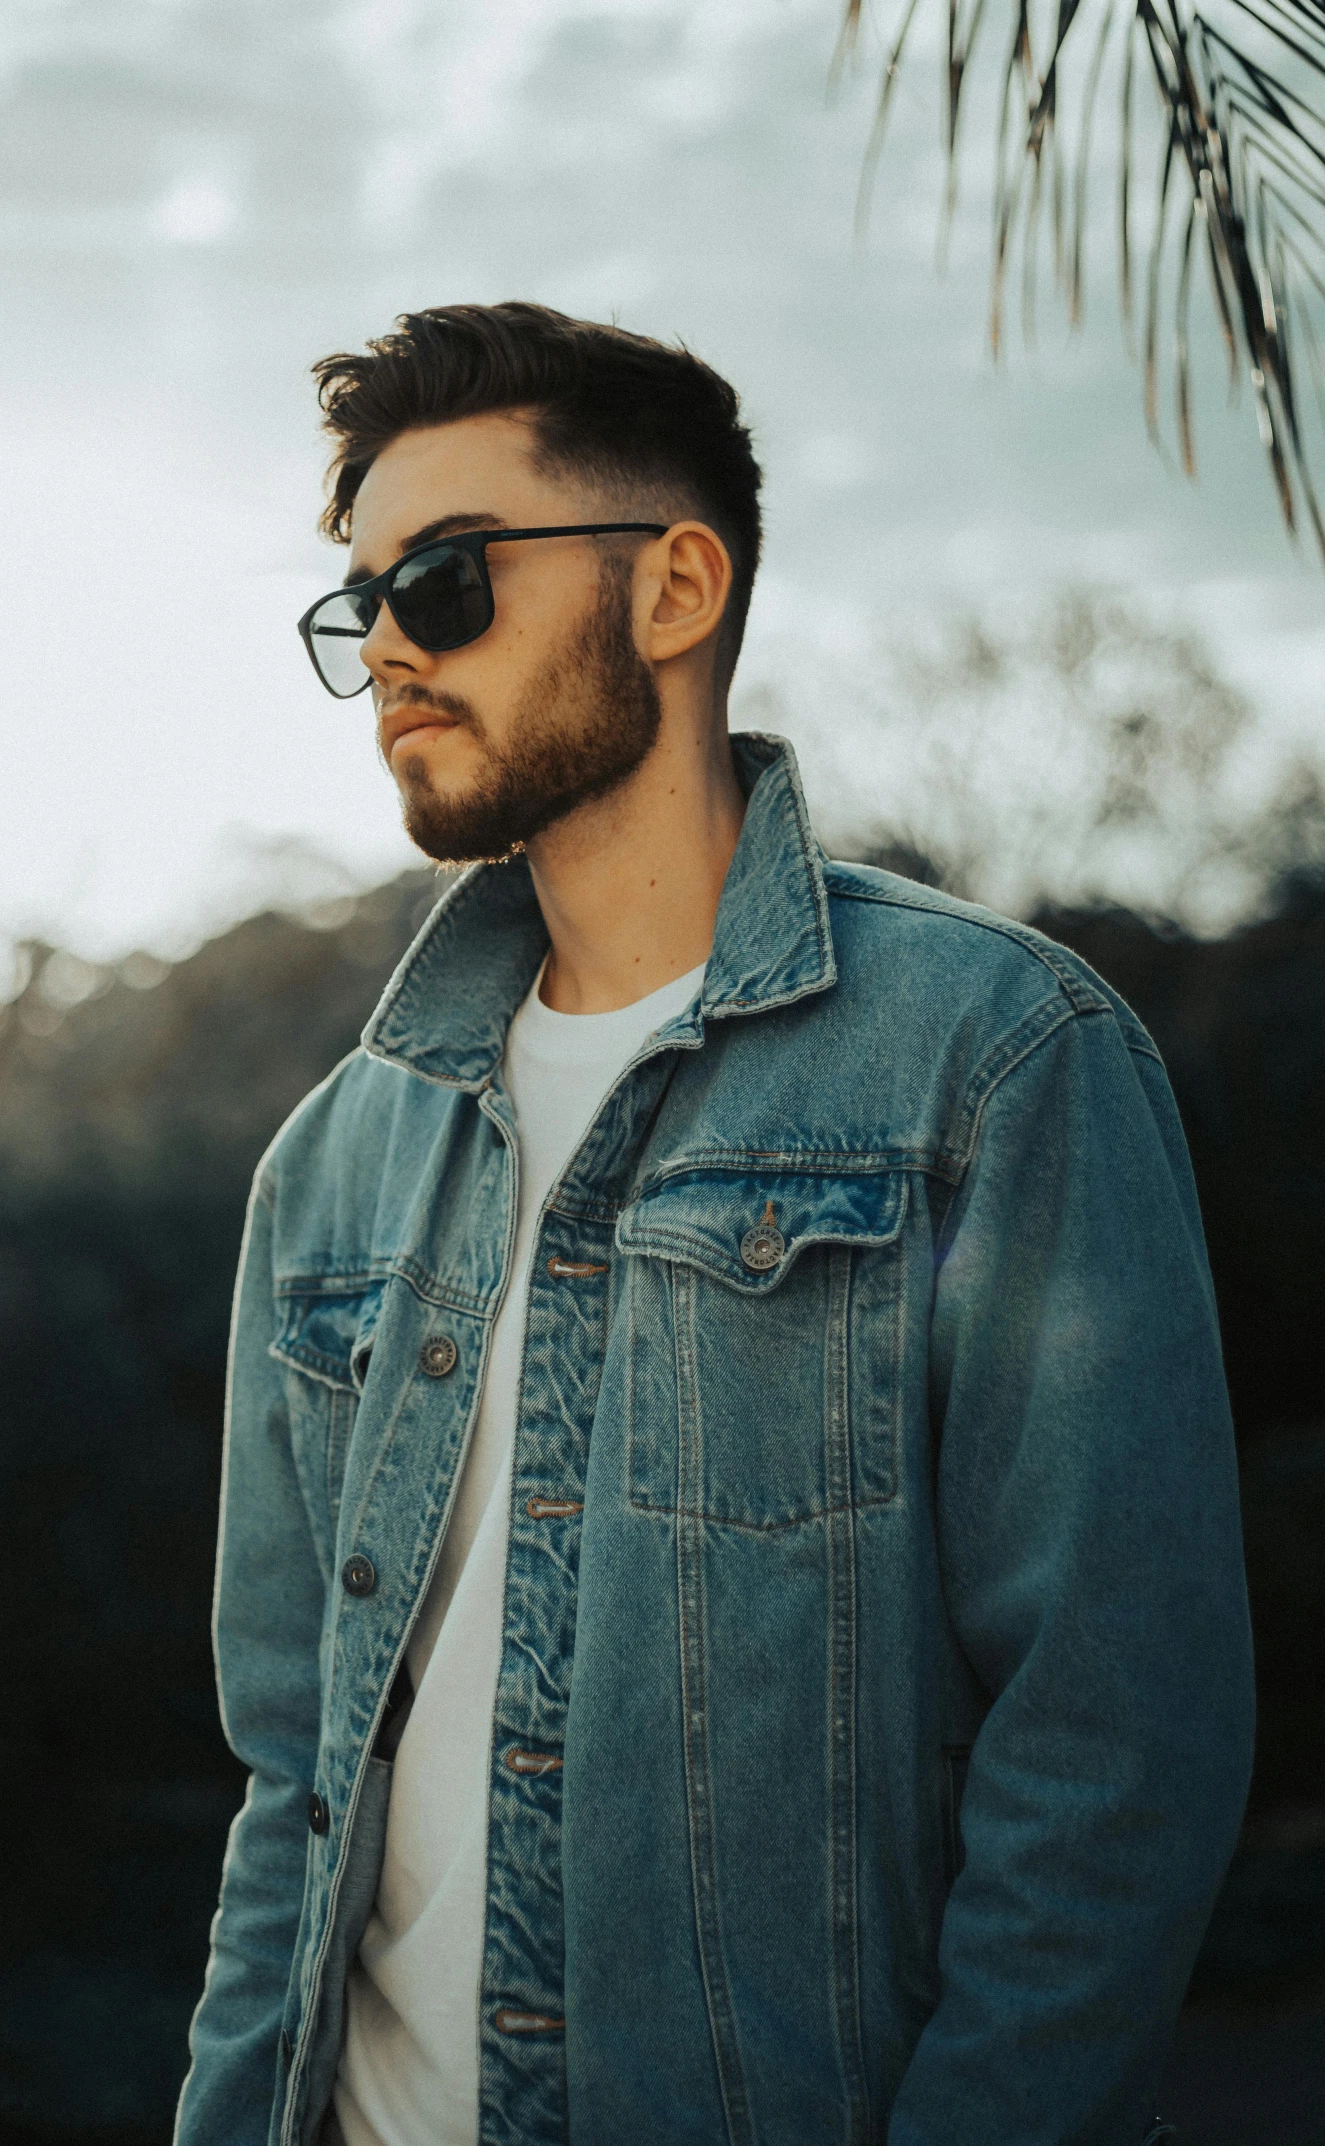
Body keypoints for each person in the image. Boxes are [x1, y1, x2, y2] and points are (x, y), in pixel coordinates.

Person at [174, 302, 1253, 2146]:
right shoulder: (335, 1163)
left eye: (442, 581)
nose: (393, 659)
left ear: (675, 586)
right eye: (361, 610)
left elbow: (1114, 1757)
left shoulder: (995, 1065)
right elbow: (292, 1786)